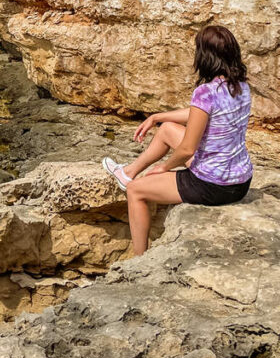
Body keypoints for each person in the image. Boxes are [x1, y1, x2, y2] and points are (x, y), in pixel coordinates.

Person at [101, 24, 253, 255]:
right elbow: (198, 114)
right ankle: (127, 172)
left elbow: (187, 150)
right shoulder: (241, 86)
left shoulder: (206, 91)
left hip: (213, 185)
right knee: (168, 129)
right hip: (241, 182)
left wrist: (164, 167)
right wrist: (157, 117)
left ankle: (139, 259)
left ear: (204, 56)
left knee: (135, 191)